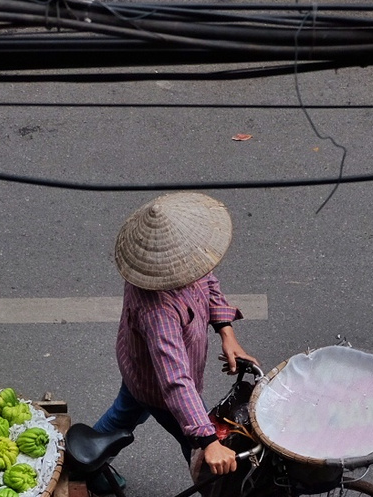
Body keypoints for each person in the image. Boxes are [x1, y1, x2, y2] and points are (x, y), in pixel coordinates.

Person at [94, 192, 255, 479]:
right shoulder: (158, 312)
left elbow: (208, 281)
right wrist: (207, 440)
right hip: (158, 385)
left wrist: (226, 331)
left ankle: (87, 464)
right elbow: (175, 380)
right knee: (201, 443)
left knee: (125, 412)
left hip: (137, 367)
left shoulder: (186, 264)